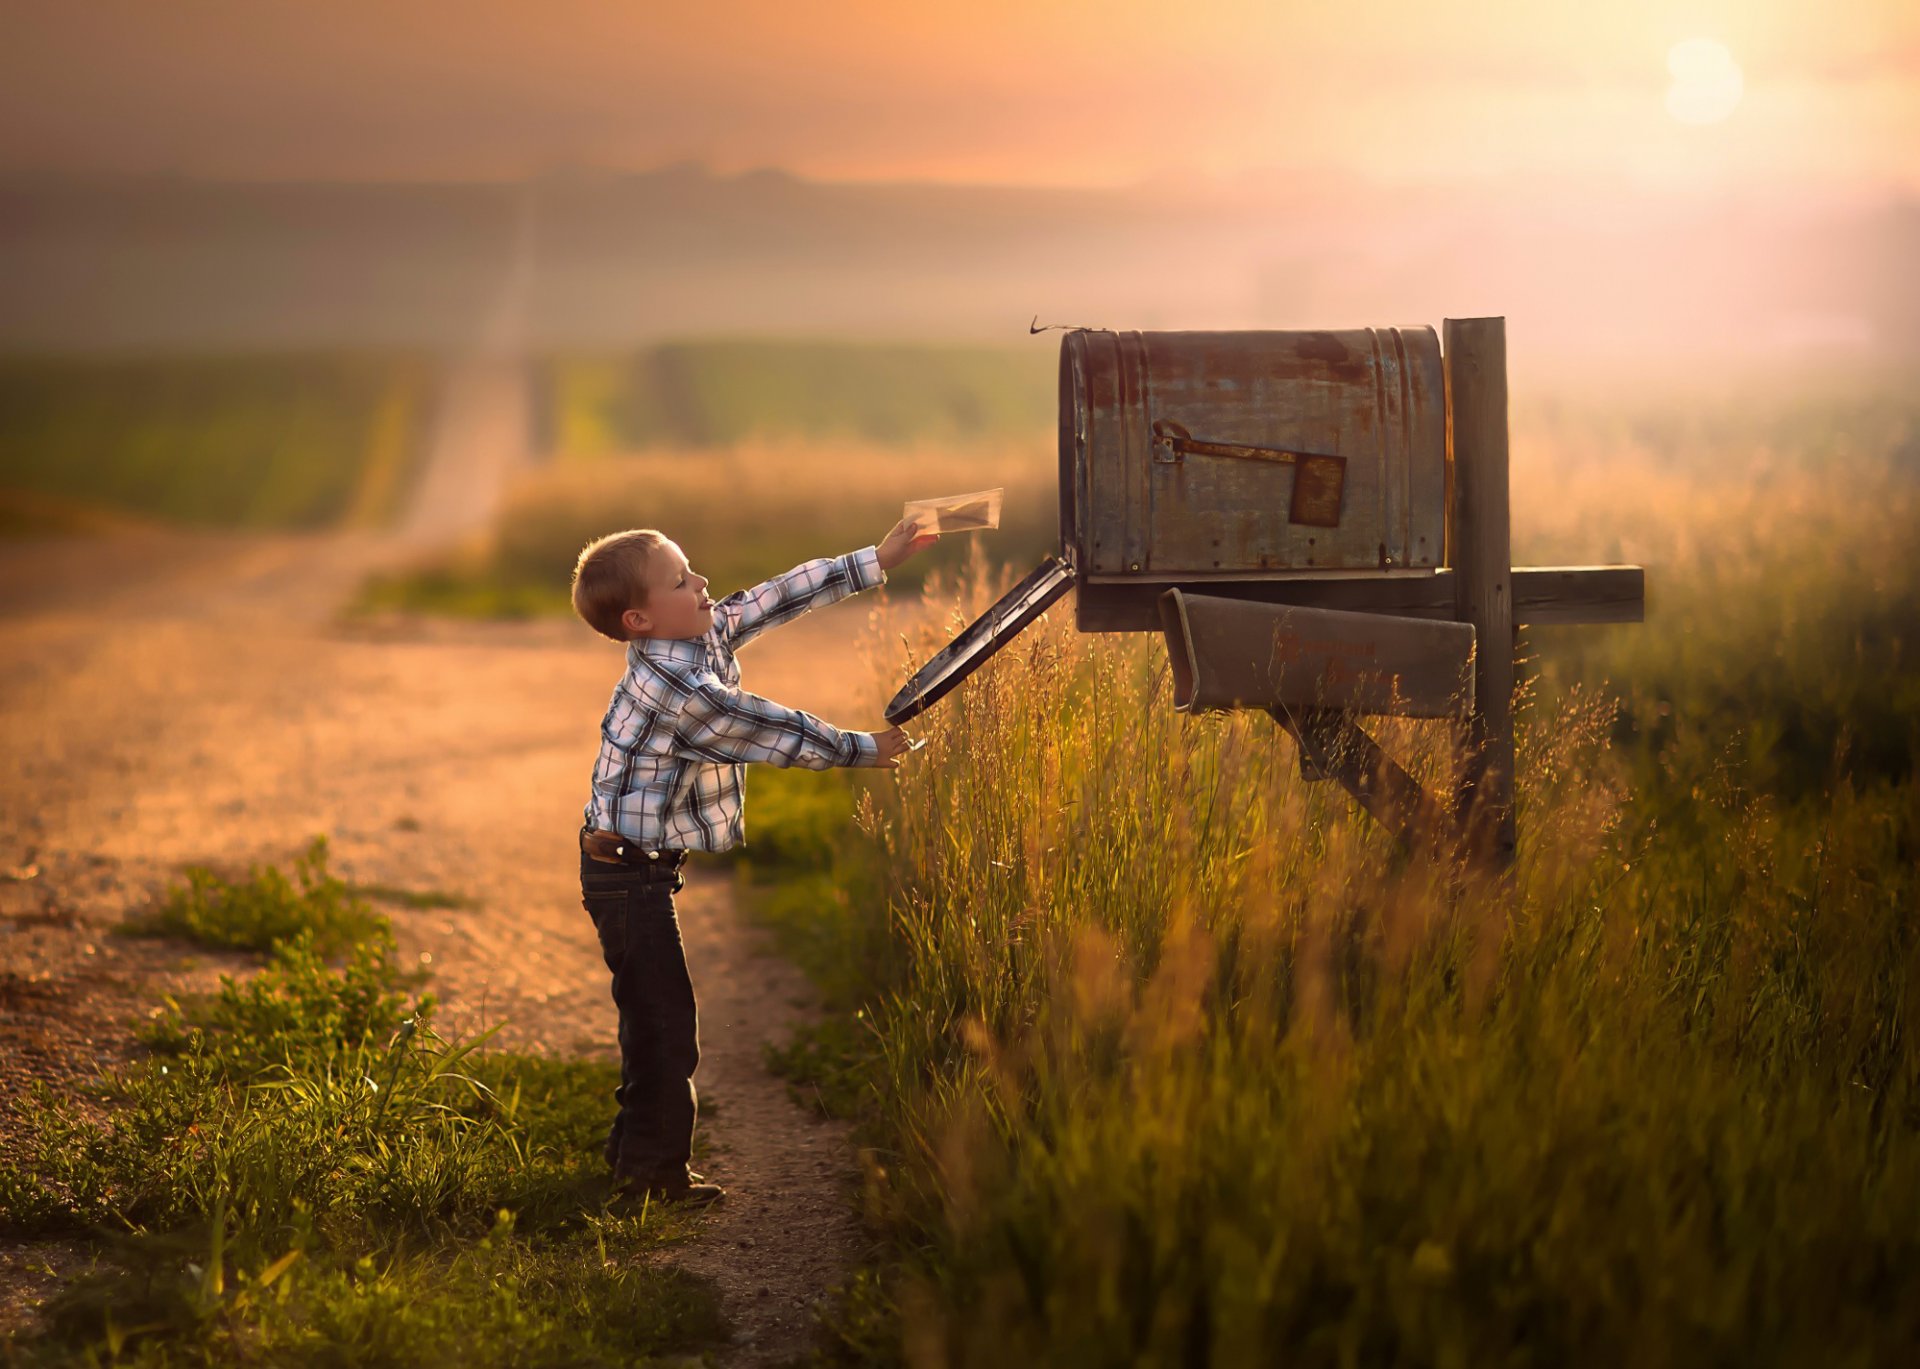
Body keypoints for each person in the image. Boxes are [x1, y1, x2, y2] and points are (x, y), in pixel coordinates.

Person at [569, 518, 936, 1204]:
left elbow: (770, 597)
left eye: (693, 567)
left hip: (632, 871)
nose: (702, 583)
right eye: (682, 580)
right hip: (626, 879)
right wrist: (863, 748)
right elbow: (771, 730)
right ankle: (651, 1177)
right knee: (665, 1028)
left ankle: (631, 1154)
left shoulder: (690, 632)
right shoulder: (682, 693)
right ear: (640, 618)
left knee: (651, 1017)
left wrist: (874, 561)